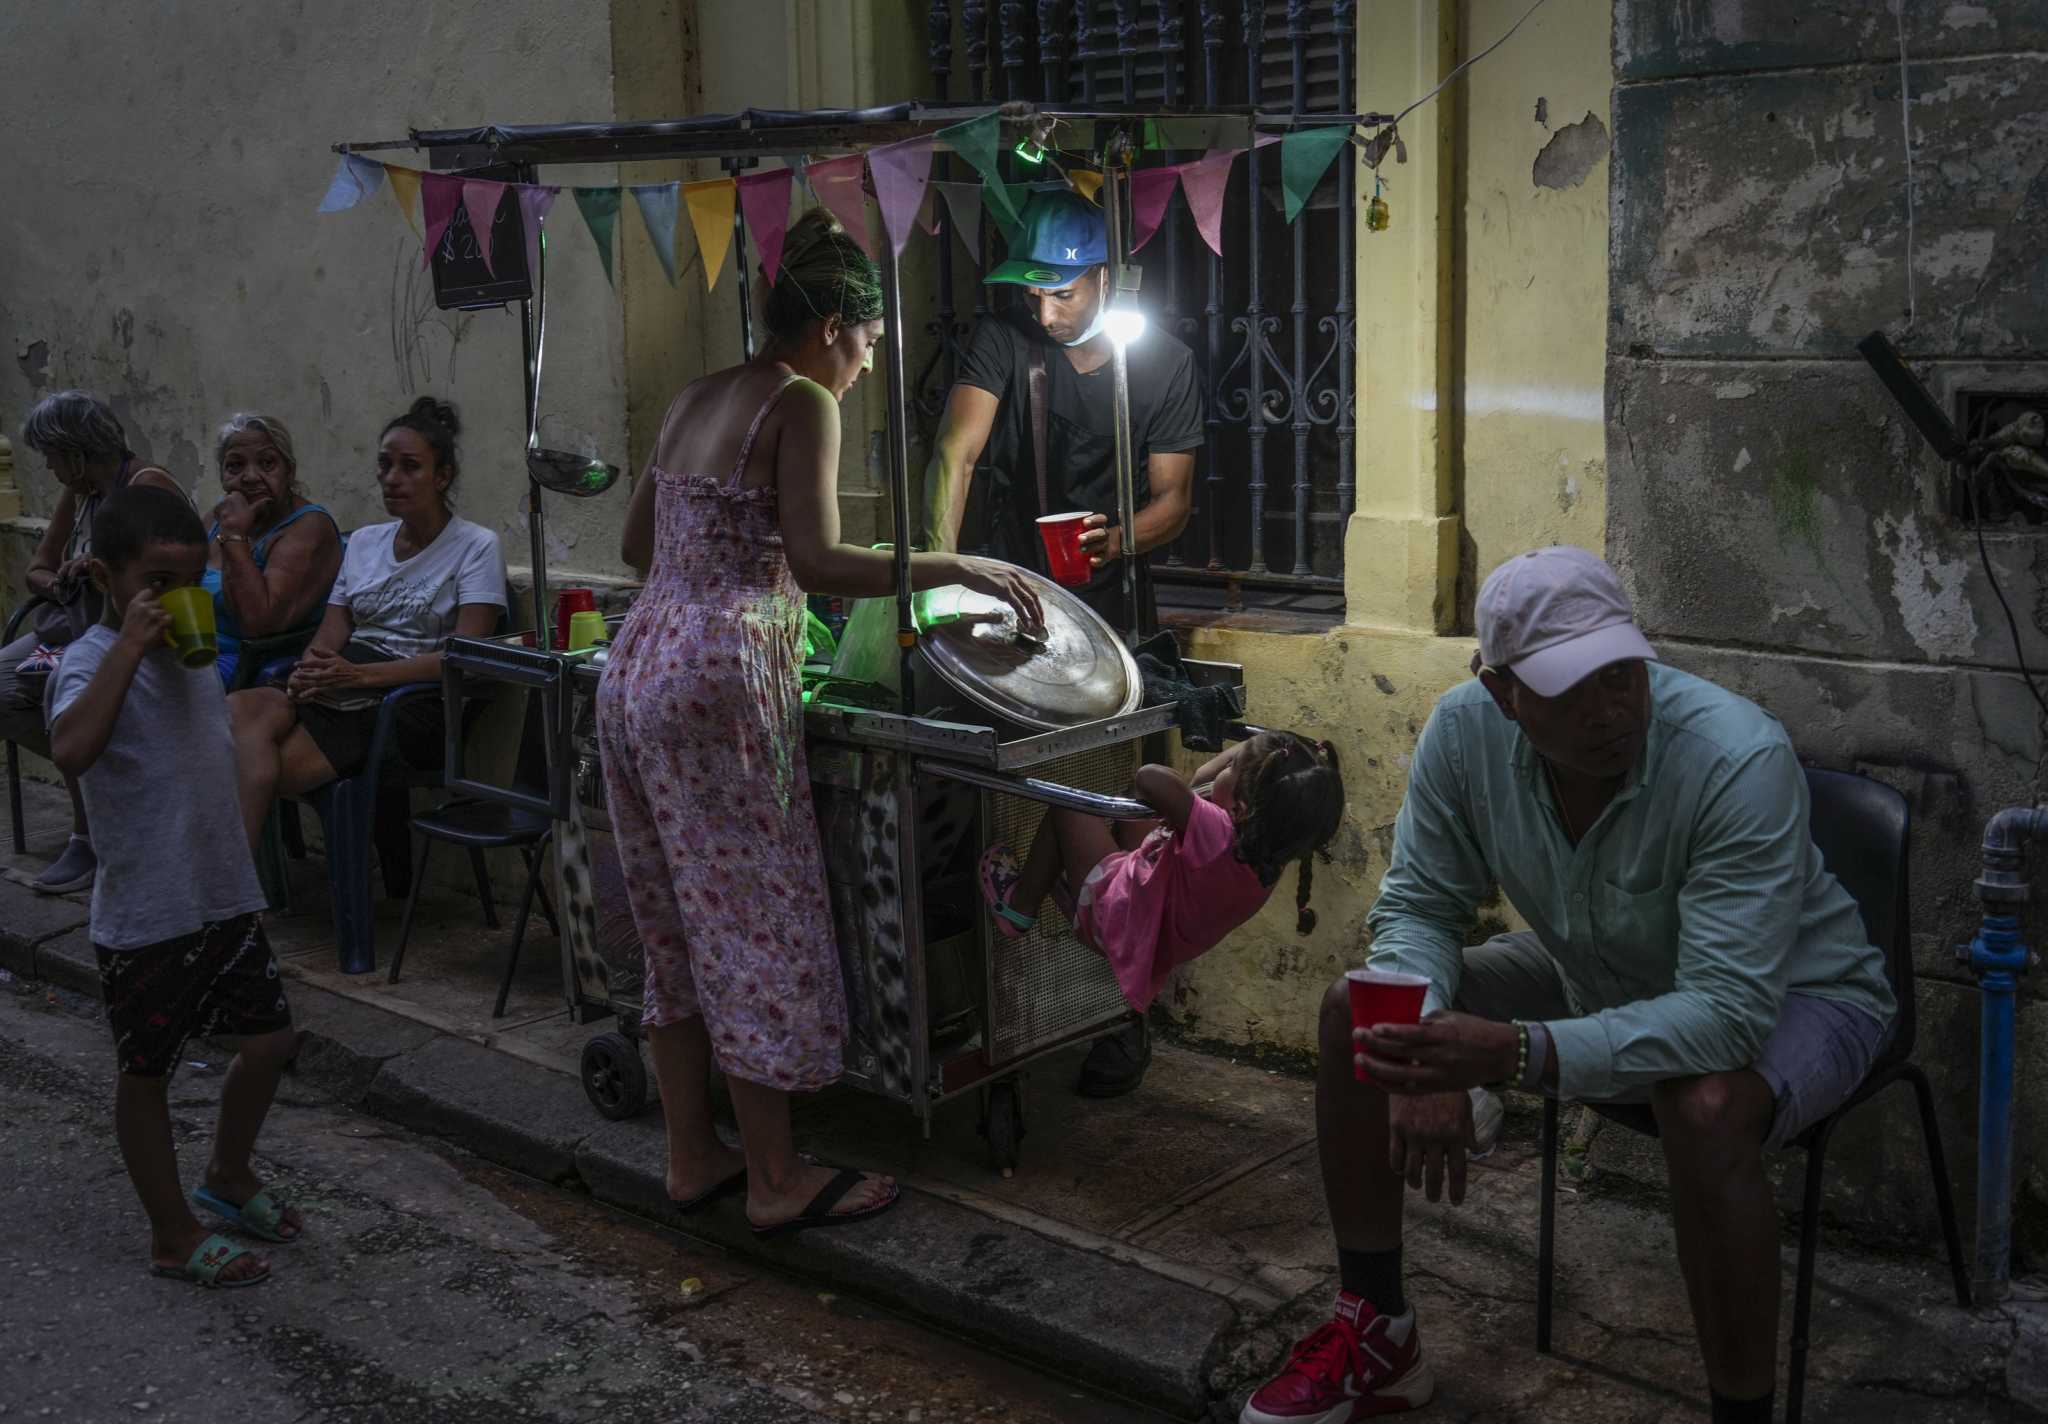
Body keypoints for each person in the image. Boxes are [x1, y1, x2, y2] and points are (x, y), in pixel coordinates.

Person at [1240, 547, 1897, 1424]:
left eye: (1623, 675)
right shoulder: (1463, 730)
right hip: (1597, 969)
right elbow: (1421, 906)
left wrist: (1514, 1052)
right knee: (1355, 1012)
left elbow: (1729, 1015)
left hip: (1800, 993)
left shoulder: (1735, 756)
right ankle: (1379, 1336)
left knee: (1701, 1104)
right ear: (1501, 689)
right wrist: (1421, 1033)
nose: (1610, 711)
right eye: (1572, 688)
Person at [599, 209, 1041, 1238]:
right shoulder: (798, 398)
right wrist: (957, 563)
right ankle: (773, 1175)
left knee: (674, 925)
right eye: (871, 339)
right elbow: (822, 563)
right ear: (835, 323)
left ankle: (688, 1154)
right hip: (716, 680)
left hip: (635, 669)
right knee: (751, 918)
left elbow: (635, 543)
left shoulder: (692, 396)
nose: (867, 360)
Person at [923, 187, 1206, 1097]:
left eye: (1063, 294)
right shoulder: (1004, 344)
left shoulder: (1159, 363)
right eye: (1033, 294)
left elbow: (1175, 501)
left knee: (1106, 824)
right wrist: (937, 576)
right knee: (990, 808)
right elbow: (955, 455)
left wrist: (1116, 539)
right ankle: (994, 1007)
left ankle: (1118, 1018)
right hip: (1001, 624)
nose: (1045, 312)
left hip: (1109, 632)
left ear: (1105, 279)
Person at [49, 485, 300, 1289]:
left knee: (269, 1042)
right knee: (147, 1071)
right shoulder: (92, 661)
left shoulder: (195, 657)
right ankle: (171, 1233)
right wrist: (126, 647)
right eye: (157, 582)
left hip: (220, 895)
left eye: (189, 582)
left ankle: (227, 1173)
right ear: (105, 576)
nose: (176, 600)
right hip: (147, 915)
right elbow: (71, 752)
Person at [229, 397, 506, 843]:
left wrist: (359, 676)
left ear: (442, 476)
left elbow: (464, 656)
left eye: (410, 467)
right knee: (233, 715)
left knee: (265, 769)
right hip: (345, 679)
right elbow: (332, 631)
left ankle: (233, 895)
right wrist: (308, 671)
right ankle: (233, 893)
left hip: (412, 699)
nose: (391, 478)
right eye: (384, 465)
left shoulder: (476, 546)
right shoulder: (363, 543)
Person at [979, 731, 1344, 1014]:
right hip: (1152, 933)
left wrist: (1250, 750)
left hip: (1116, 919)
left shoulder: (1216, 832)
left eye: (1233, 767)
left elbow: (1149, 778)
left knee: (1070, 807)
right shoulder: (1267, 857)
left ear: (1241, 808)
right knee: (1150, 817)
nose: (1227, 766)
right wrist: (1257, 755)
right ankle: (1071, 885)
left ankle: (1019, 907)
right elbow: (1201, 779)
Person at [8, 391, 185, 894]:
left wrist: (103, 573)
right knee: (4, 682)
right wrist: (64, 580)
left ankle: (91, 832)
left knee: (60, 690)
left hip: (135, 631)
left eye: (51, 456)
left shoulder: (145, 488)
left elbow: (168, 580)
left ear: (77, 453)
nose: (48, 467)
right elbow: (36, 571)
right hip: (77, 623)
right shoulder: (83, 491)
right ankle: (110, 781)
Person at [201, 413, 344, 688]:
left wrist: (233, 536)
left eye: (267, 464)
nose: (251, 477)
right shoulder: (218, 516)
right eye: (235, 466)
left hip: (250, 665)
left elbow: (256, 624)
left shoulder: (309, 527)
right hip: (193, 651)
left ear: (289, 472)